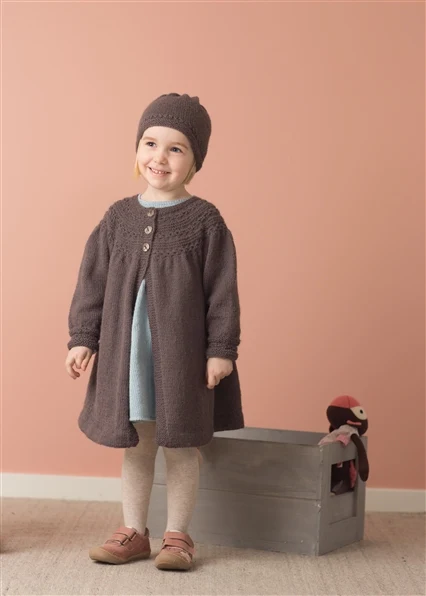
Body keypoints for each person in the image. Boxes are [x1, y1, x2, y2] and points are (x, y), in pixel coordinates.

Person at [65, 93, 244, 571]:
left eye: (175, 148)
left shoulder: (205, 221)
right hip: (130, 358)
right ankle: (134, 532)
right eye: (150, 143)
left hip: (182, 358)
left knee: (181, 445)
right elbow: (91, 283)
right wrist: (83, 337)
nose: (159, 157)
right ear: (137, 148)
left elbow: (222, 291)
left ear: (195, 160)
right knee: (137, 444)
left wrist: (220, 349)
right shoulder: (117, 218)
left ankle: (178, 536)